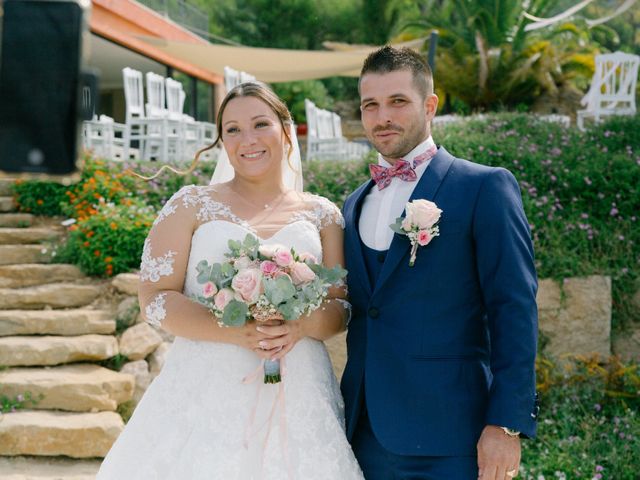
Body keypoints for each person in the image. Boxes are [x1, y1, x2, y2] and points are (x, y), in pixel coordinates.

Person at [97, 82, 364, 479]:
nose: (247, 139)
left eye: (260, 124)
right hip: (205, 387)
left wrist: (298, 324)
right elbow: (154, 296)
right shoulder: (190, 205)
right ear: (222, 140)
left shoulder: (323, 215)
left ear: (286, 132)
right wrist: (235, 330)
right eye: (233, 129)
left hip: (298, 385)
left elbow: (339, 308)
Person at [340, 46, 539, 480]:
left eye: (397, 101)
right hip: (363, 432)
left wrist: (506, 423)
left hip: (452, 436)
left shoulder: (483, 187)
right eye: (370, 105)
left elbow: (514, 309)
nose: (382, 116)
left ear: (430, 106)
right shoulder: (353, 203)